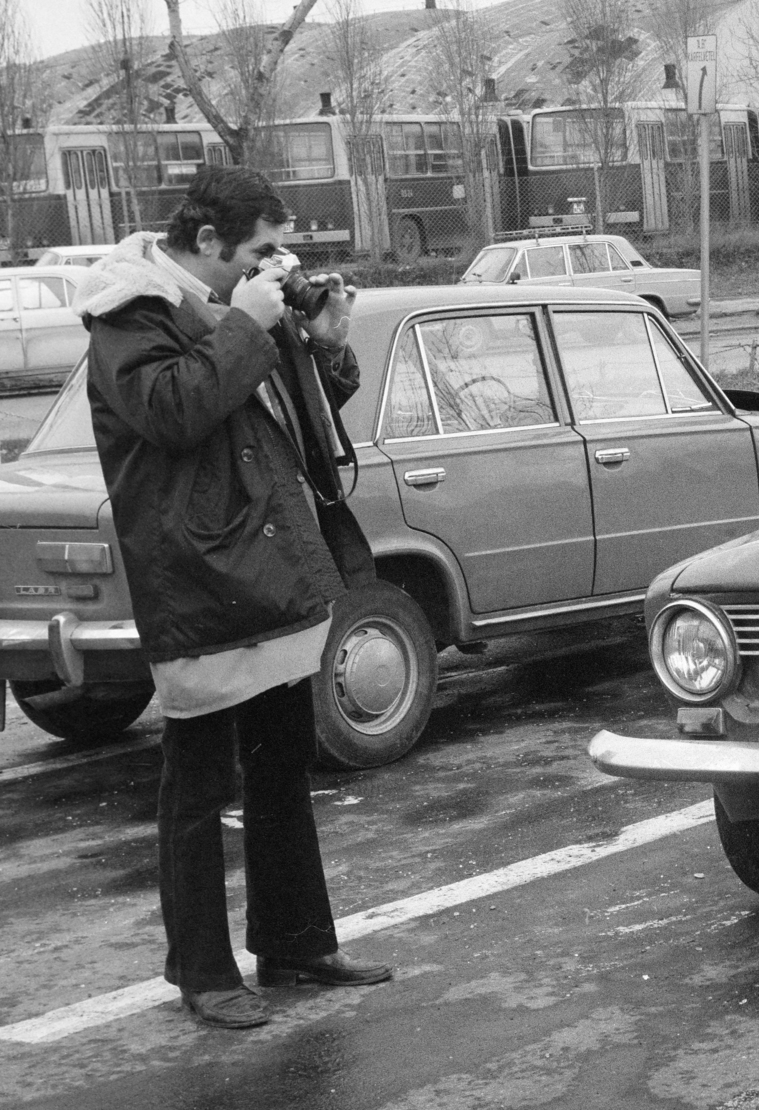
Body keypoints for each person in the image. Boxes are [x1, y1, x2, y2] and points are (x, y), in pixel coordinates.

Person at [73, 166, 392, 1030]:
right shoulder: (129, 313)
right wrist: (249, 323)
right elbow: (174, 411)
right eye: (260, 249)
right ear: (207, 242)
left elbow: (290, 416)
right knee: (199, 785)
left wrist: (322, 341)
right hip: (198, 574)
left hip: (270, 564)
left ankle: (293, 939)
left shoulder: (233, 308)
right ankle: (203, 971)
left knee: (283, 767)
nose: (272, 263)